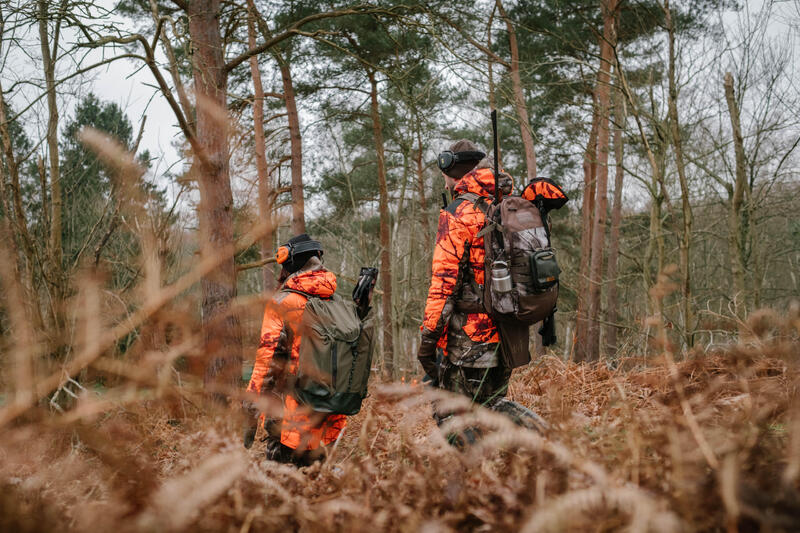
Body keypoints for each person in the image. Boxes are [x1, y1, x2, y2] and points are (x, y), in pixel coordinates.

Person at [417, 140, 545, 441]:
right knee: (490, 405)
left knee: (452, 413)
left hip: (471, 338)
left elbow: (443, 284)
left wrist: (429, 337)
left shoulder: (459, 212)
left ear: (453, 172)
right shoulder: (507, 205)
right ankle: (532, 457)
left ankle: (540, 444)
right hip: (510, 328)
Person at [243, 234, 346, 466]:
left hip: (289, 420)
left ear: (289, 263)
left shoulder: (282, 303)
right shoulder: (336, 301)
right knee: (323, 491)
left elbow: (265, 363)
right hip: (330, 415)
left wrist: (249, 412)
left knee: (286, 493)